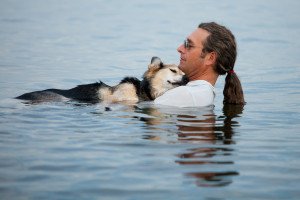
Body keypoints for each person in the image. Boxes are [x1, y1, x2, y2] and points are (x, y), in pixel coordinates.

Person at [154, 22, 245, 107]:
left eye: (189, 45)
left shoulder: (187, 94)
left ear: (210, 58)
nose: (180, 49)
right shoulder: (202, 93)